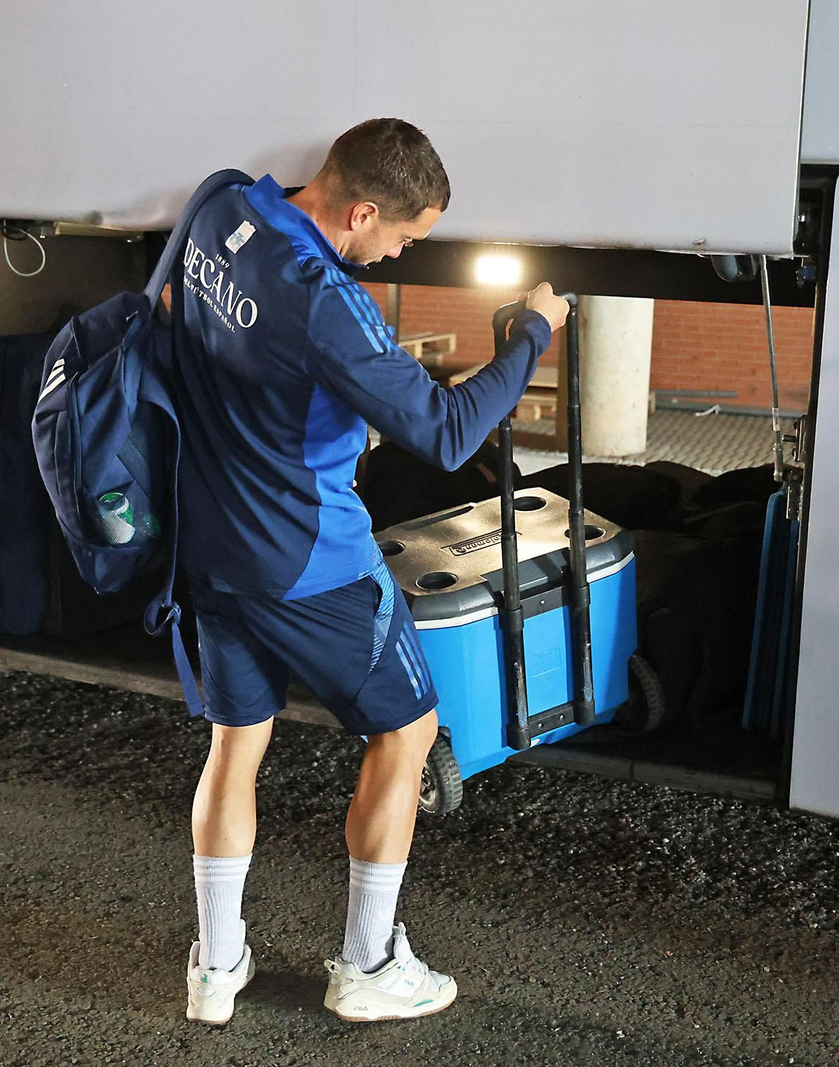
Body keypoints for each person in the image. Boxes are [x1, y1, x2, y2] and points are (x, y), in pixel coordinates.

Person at [164, 118, 568, 1024]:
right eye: (402, 237)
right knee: (408, 730)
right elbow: (447, 432)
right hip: (311, 561)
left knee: (236, 744)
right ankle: (369, 965)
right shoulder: (325, 300)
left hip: (211, 545)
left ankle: (215, 970)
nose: (396, 255)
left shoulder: (220, 209)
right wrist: (532, 335)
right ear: (360, 212)